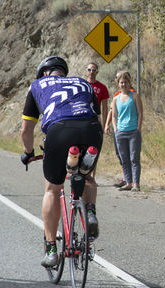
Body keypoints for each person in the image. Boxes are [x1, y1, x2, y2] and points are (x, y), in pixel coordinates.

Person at [20, 56, 103, 267]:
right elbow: (97, 113)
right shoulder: (84, 82)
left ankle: (51, 251)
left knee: (52, 190)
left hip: (59, 131)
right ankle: (90, 211)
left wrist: (28, 153)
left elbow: (26, 129)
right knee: (86, 176)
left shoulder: (37, 85)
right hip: (92, 129)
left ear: (45, 73)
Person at [111, 71, 143, 192]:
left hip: (133, 131)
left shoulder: (134, 96)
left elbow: (140, 113)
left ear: (129, 83)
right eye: (121, 82)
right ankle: (128, 182)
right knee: (124, 158)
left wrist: (138, 128)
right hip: (120, 132)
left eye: (125, 82)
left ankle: (136, 183)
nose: (123, 84)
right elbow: (113, 115)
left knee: (134, 158)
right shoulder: (115, 99)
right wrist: (115, 129)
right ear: (118, 83)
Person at [104, 70, 136, 188]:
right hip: (118, 127)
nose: (120, 82)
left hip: (128, 128)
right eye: (118, 79)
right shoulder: (116, 96)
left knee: (128, 154)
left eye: (123, 80)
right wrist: (107, 124)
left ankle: (130, 179)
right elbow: (112, 111)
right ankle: (126, 177)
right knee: (120, 153)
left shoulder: (132, 94)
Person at [86, 62, 109, 127]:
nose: (91, 72)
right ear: (86, 71)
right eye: (89, 70)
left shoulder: (102, 87)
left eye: (94, 70)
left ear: (97, 72)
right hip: (84, 117)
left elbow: (104, 107)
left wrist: (104, 124)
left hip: (95, 117)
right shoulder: (82, 85)